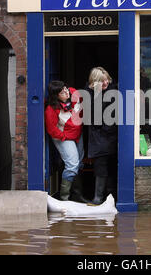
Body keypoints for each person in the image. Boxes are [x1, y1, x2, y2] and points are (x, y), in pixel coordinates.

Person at [45, 80, 88, 202]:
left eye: (65, 88)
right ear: (55, 96)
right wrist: (64, 137)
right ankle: (64, 198)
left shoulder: (74, 93)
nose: (66, 91)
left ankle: (77, 195)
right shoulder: (51, 109)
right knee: (72, 165)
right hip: (63, 137)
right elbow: (52, 130)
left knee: (78, 164)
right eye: (61, 91)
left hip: (77, 134)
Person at [85, 67, 118, 205]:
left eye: (106, 80)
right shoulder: (89, 93)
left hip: (111, 133)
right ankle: (98, 197)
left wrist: (107, 128)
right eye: (102, 82)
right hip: (98, 136)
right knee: (100, 165)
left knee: (111, 165)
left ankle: (110, 197)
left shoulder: (114, 90)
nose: (105, 84)